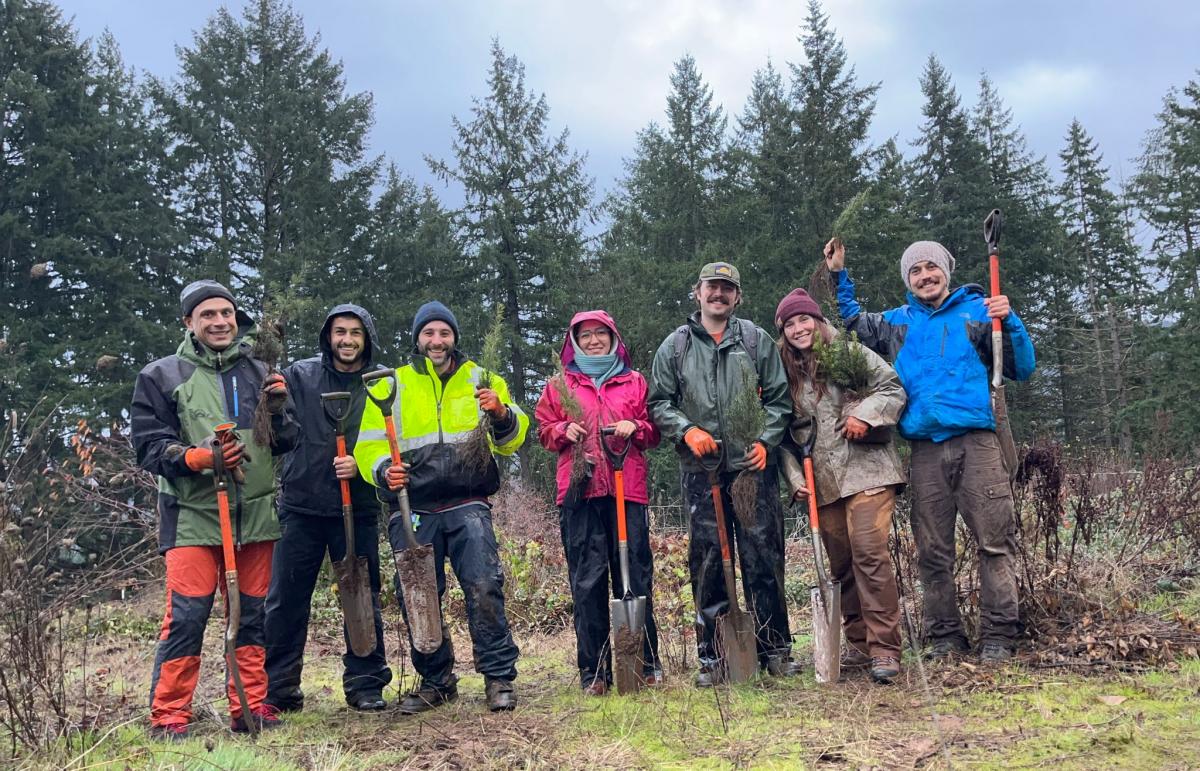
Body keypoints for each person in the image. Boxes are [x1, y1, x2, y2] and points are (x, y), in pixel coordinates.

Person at [825, 239, 1036, 661]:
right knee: (933, 550)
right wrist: (837, 275)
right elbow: (852, 322)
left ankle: (999, 634)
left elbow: (1022, 367)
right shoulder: (896, 323)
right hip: (923, 450)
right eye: (915, 271)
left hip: (978, 443)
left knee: (994, 542)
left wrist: (1010, 321)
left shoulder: (978, 311)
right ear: (908, 280)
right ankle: (945, 637)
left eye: (930, 268)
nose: (924, 276)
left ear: (946, 271)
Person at [131, 279, 297, 739]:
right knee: (187, 616)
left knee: (251, 616)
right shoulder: (162, 375)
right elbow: (148, 448)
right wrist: (198, 458)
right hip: (192, 516)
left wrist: (280, 411)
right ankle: (169, 716)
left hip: (256, 515)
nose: (220, 321)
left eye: (226, 313)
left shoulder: (260, 370)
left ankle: (248, 707)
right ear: (189, 323)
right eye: (208, 315)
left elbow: (286, 442)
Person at [354, 301, 529, 713]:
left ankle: (499, 676)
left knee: (484, 585)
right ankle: (437, 680)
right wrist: (382, 471)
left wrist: (502, 415)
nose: (437, 341)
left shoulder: (482, 379)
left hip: (469, 501)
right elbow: (368, 444)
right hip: (412, 505)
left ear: (454, 337)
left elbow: (512, 439)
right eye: (429, 333)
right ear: (418, 338)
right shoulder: (390, 384)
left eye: (444, 333)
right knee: (417, 594)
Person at [647, 261, 797, 686]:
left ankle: (775, 649)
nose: (719, 294)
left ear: (737, 297)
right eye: (712, 287)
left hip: (752, 470)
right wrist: (687, 430)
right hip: (702, 471)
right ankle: (713, 658)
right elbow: (659, 403)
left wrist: (766, 442)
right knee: (709, 561)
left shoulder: (755, 340)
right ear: (697, 292)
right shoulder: (675, 348)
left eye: (727, 289)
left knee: (763, 559)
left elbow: (780, 400)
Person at [772, 288, 907, 683]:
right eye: (789, 323)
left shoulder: (849, 353)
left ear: (817, 321)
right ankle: (860, 645)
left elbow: (892, 388)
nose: (799, 328)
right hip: (824, 484)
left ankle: (886, 649)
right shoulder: (785, 375)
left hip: (868, 470)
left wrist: (865, 414)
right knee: (842, 565)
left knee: (868, 552)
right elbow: (783, 437)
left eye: (803, 319)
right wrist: (796, 479)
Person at [264, 304, 393, 713]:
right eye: (340, 332)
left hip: (358, 507)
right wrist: (273, 404)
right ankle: (280, 687)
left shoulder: (382, 382)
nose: (348, 340)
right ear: (329, 336)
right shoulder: (302, 376)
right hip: (301, 505)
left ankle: (366, 683)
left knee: (362, 596)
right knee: (286, 599)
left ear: (367, 338)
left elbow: (394, 440)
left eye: (356, 332)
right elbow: (279, 433)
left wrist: (362, 466)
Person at [534, 311, 663, 695]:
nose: (593, 341)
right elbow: (542, 430)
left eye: (600, 334)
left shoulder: (634, 381)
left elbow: (654, 430)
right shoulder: (560, 385)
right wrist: (561, 430)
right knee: (587, 582)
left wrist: (635, 427)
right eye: (585, 335)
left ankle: (645, 662)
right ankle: (594, 672)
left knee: (635, 578)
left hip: (627, 490)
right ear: (574, 341)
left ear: (613, 338)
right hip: (580, 493)